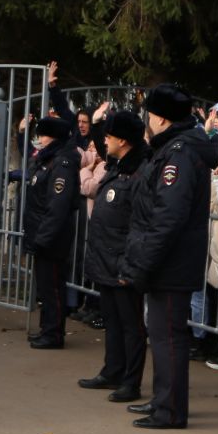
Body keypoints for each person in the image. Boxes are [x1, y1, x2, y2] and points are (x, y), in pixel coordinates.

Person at [118, 85, 217, 430]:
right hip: (166, 261)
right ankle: (163, 401)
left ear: (160, 117)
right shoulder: (173, 149)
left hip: (170, 263)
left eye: (149, 115)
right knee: (161, 335)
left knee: (168, 338)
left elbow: (168, 216)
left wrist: (144, 262)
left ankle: (170, 411)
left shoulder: (179, 154)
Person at [78, 109, 147, 400]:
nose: (104, 141)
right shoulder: (118, 165)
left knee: (131, 325)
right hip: (106, 259)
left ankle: (131, 382)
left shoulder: (140, 170)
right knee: (113, 321)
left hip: (123, 261)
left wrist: (128, 263)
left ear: (123, 139)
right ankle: (111, 371)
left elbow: (141, 222)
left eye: (108, 136)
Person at [22, 115, 80, 349]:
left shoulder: (62, 163)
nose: (40, 139)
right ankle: (47, 328)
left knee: (54, 287)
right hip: (42, 234)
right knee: (45, 287)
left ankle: (54, 334)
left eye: (43, 134)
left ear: (53, 137)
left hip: (52, 238)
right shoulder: (48, 159)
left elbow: (57, 207)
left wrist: (43, 239)